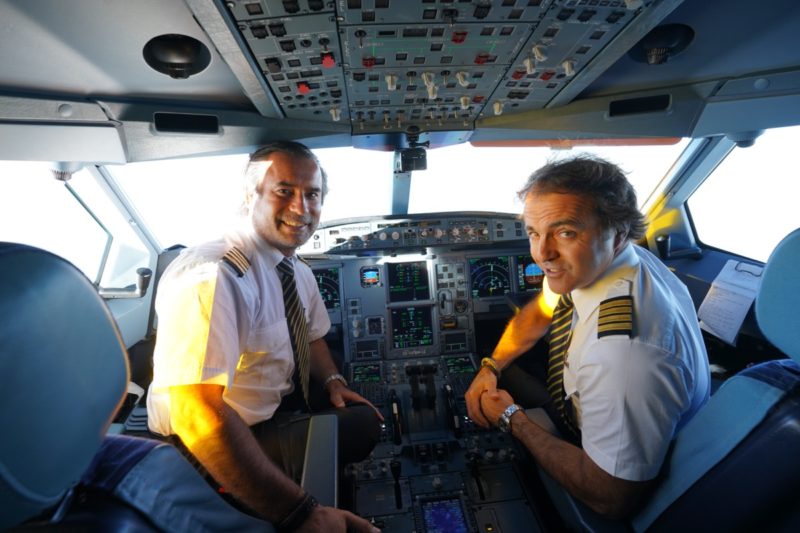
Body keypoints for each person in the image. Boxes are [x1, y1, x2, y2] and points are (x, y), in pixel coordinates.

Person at [146, 141, 382, 532]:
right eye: (284, 191)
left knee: (356, 410)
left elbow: (312, 338)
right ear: (248, 196)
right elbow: (195, 413)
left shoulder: (294, 269)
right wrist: (303, 512)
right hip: (201, 449)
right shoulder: (215, 276)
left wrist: (334, 382)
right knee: (364, 427)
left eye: (312, 195)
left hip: (267, 410)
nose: (301, 209)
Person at [465, 155, 710, 519]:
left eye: (566, 232)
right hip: (611, 414)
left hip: (614, 477)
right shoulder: (616, 263)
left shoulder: (624, 356)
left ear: (619, 232)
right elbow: (541, 310)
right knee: (503, 367)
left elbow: (611, 497)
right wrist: (491, 367)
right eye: (534, 232)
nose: (542, 254)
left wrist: (513, 419)